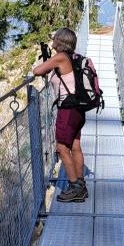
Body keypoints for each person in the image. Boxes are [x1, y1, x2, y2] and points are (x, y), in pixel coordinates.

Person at [32, 28, 88, 203]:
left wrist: (48, 59)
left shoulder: (60, 57)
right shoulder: (73, 57)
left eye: (55, 38)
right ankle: (81, 186)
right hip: (78, 109)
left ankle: (75, 188)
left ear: (60, 41)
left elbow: (37, 71)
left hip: (67, 110)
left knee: (62, 148)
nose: (53, 40)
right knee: (75, 146)